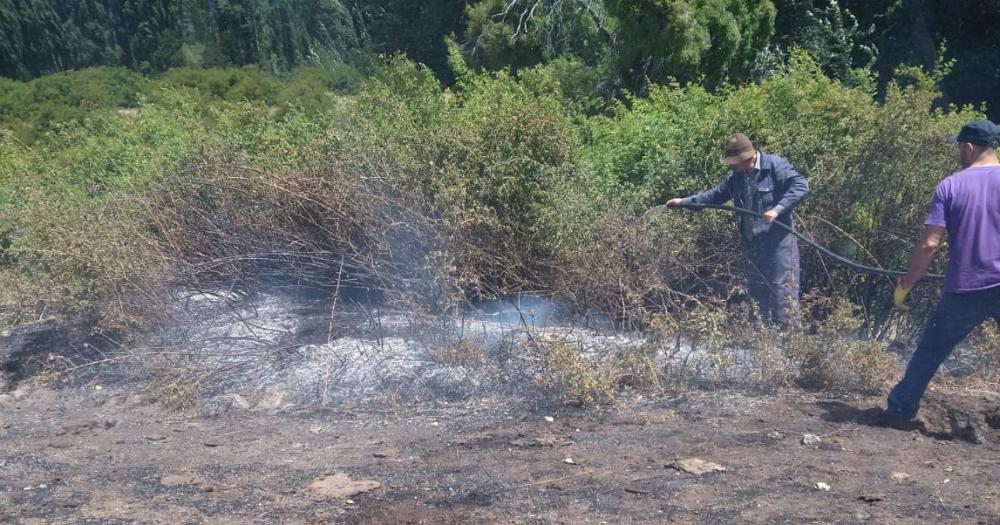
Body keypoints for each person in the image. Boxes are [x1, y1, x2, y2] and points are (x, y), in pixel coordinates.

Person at [885, 119, 1000, 428]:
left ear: (969, 147)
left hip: (967, 287)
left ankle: (900, 410)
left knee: (931, 350)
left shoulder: (951, 185)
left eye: (960, 147)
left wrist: (908, 282)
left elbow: (929, 244)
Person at [666, 134, 809, 327]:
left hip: (779, 243)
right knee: (756, 297)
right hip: (752, 245)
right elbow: (714, 196)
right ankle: (762, 349)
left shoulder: (775, 165)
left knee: (783, 293)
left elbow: (801, 186)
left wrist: (777, 209)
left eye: (736, 162)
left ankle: (793, 348)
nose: (733, 166)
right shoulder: (736, 177)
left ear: (748, 158)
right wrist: (683, 202)